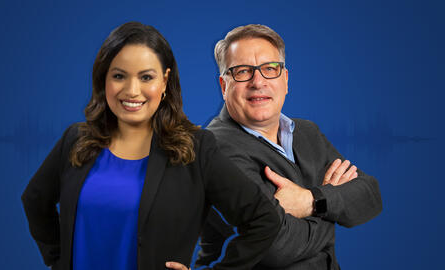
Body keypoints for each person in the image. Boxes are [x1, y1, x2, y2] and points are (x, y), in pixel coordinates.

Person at [21, 22, 280, 270]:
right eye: (119, 76)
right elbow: (35, 200)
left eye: (146, 77)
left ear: (165, 81)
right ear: (104, 80)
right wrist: (59, 259)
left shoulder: (196, 150)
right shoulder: (75, 140)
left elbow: (264, 220)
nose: (132, 90)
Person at [196, 24, 383, 269]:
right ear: (224, 86)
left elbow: (370, 196)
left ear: (285, 80)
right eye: (242, 71)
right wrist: (330, 212)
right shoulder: (214, 148)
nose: (258, 81)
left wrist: (311, 201)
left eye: (270, 69)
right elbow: (272, 247)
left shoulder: (307, 133)